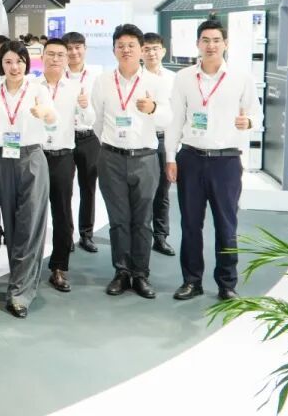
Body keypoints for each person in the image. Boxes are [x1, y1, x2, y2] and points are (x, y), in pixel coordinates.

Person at [166, 19, 261, 302]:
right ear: (197, 44)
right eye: (205, 40)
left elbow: (257, 115)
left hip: (226, 161)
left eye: (216, 40)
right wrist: (170, 157)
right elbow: (175, 120)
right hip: (191, 158)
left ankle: (227, 284)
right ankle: (191, 281)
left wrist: (249, 122)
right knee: (190, 224)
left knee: (226, 226)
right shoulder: (184, 77)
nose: (211, 45)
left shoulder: (241, 78)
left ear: (225, 44)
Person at [91, 24, 172, 300]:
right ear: (114, 49)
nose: (126, 50)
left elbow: (168, 119)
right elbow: (97, 121)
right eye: (121, 45)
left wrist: (153, 109)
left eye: (131, 45)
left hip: (145, 158)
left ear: (141, 49)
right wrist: (111, 143)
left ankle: (140, 274)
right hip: (111, 157)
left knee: (142, 220)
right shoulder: (103, 81)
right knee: (118, 220)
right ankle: (122, 271)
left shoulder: (156, 83)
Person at [0, 39, 57, 319]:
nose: (14, 67)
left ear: (27, 63)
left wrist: (44, 113)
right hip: (3, 159)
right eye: (8, 61)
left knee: (30, 225)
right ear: (0, 63)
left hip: (31, 157)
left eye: (20, 61)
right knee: (11, 226)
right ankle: (20, 281)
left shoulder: (38, 89)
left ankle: (20, 293)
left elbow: (52, 117)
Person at [38, 38, 94, 294]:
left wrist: (85, 106)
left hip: (62, 156)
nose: (56, 59)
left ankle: (59, 267)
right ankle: (27, 266)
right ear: (42, 56)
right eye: (51, 54)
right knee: (31, 213)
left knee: (62, 212)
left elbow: (89, 119)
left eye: (60, 55)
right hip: (36, 155)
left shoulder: (74, 88)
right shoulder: (31, 85)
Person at [65, 30, 103, 254]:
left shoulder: (97, 76)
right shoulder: (58, 75)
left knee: (88, 187)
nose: (73, 52)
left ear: (85, 49)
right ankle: (65, 235)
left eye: (77, 47)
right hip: (64, 137)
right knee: (64, 190)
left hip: (89, 137)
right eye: (69, 48)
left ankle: (86, 234)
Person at [143, 32, 178, 257]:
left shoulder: (174, 79)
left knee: (162, 191)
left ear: (163, 51)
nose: (151, 53)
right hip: (143, 140)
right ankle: (141, 235)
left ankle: (161, 236)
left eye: (155, 48)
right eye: (146, 49)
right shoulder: (137, 78)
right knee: (143, 192)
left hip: (165, 139)